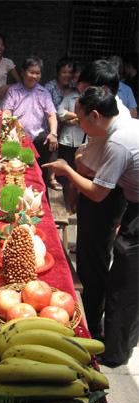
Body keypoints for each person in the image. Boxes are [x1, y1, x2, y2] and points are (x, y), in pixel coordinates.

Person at [43, 86, 138, 367]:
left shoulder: (118, 141)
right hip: (133, 202)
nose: (77, 123)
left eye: (80, 118)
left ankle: (115, 353)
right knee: (124, 276)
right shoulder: (118, 123)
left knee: (125, 284)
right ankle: (118, 341)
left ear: (95, 116)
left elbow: (97, 193)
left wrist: (67, 169)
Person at [66, 60, 130, 340]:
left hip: (106, 198)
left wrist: (72, 165)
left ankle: (93, 326)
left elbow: (86, 171)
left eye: (86, 90)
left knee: (96, 262)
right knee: (91, 259)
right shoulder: (106, 115)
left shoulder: (115, 132)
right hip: (104, 194)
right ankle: (91, 319)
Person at [1, 55, 58, 188]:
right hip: (16, 137)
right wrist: (10, 123)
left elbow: (51, 115)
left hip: (37, 136)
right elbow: (7, 112)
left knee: (52, 141)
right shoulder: (13, 91)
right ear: (22, 72)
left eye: (37, 73)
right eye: (31, 72)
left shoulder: (43, 93)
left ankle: (50, 178)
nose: (34, 76)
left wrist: (53, 133)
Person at [45, 57, 74, 190]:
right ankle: (52, 178)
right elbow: (48, 111)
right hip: (51, 124)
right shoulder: (49, 87)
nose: (67, 75)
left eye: (69, 72)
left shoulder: (74, 87)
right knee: (53, 145)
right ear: (58, 73)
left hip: (69, 126)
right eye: (64, 72)